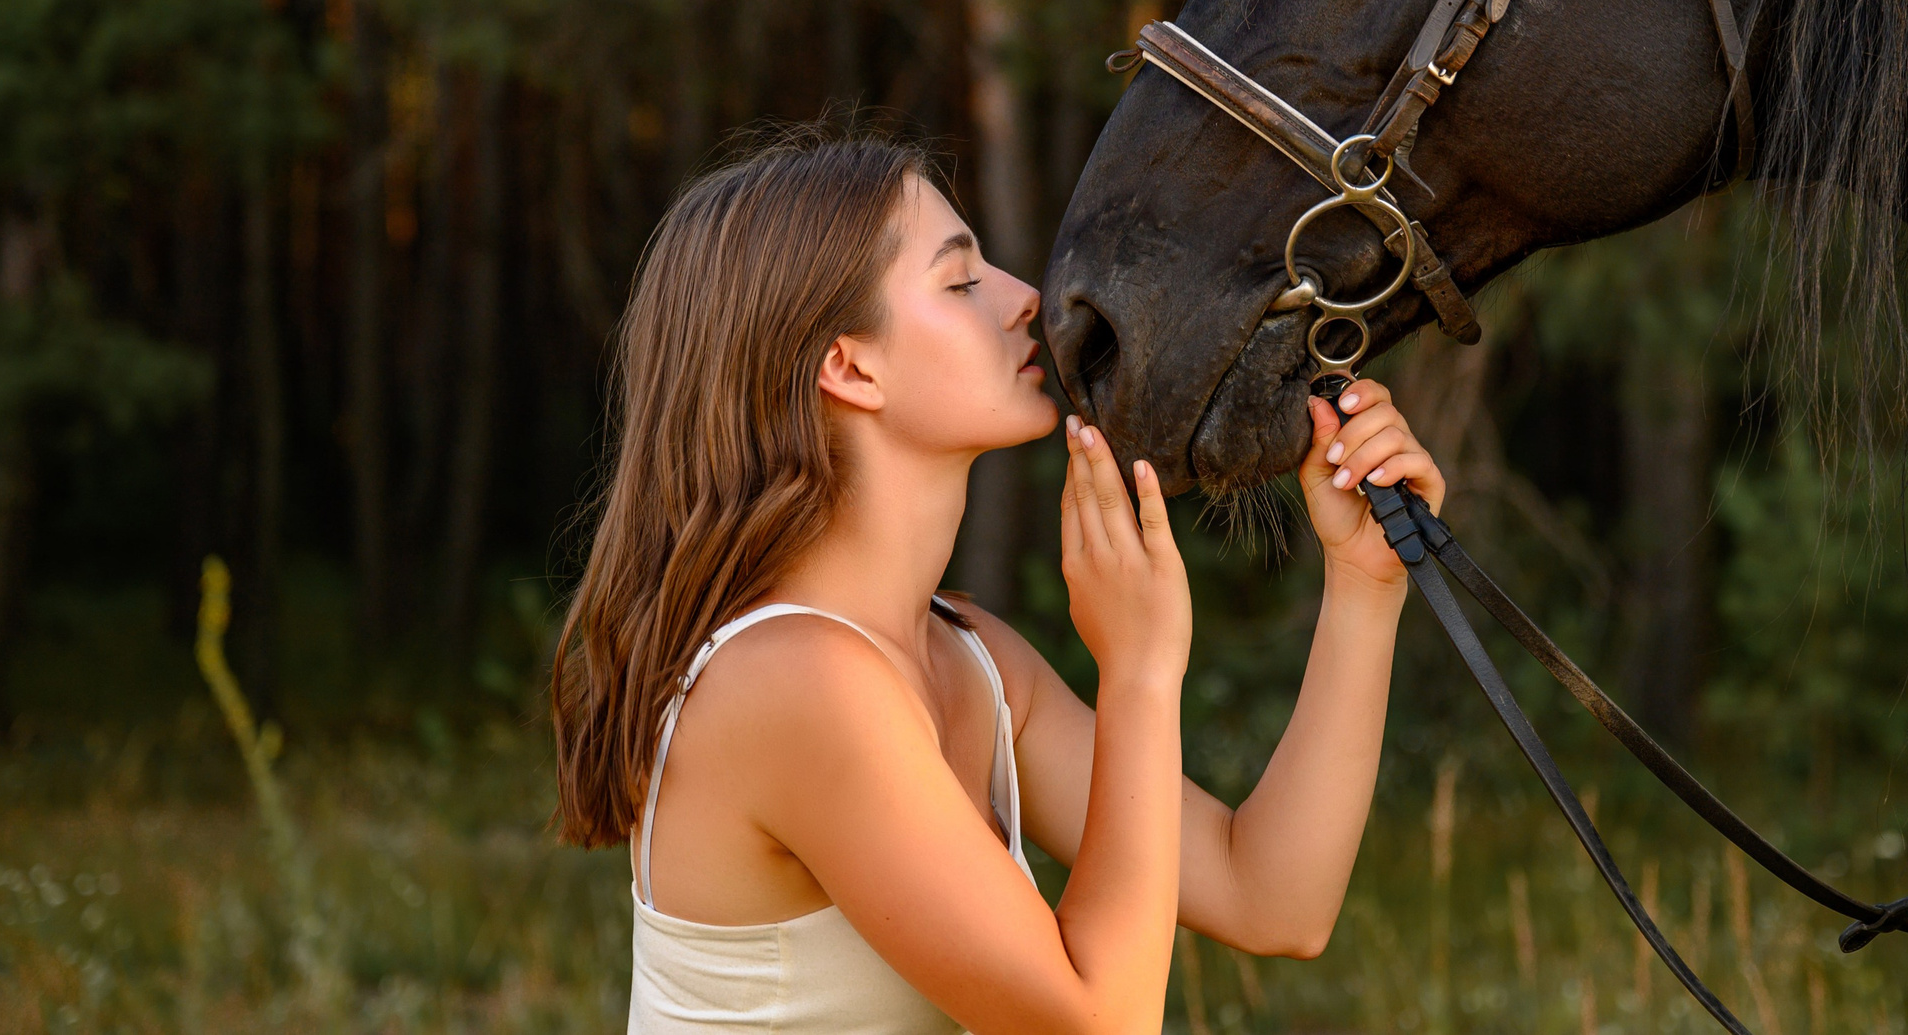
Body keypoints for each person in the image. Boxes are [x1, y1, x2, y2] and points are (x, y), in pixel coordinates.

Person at [549, 129, 1446, 1035]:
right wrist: (1138, 670)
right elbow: (1102, 1022)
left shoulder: (969, 657)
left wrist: (1362, 584)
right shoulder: (796, 680)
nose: (1024, 298)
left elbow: (1271, 898)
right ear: (850, 367)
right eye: (960, 281)